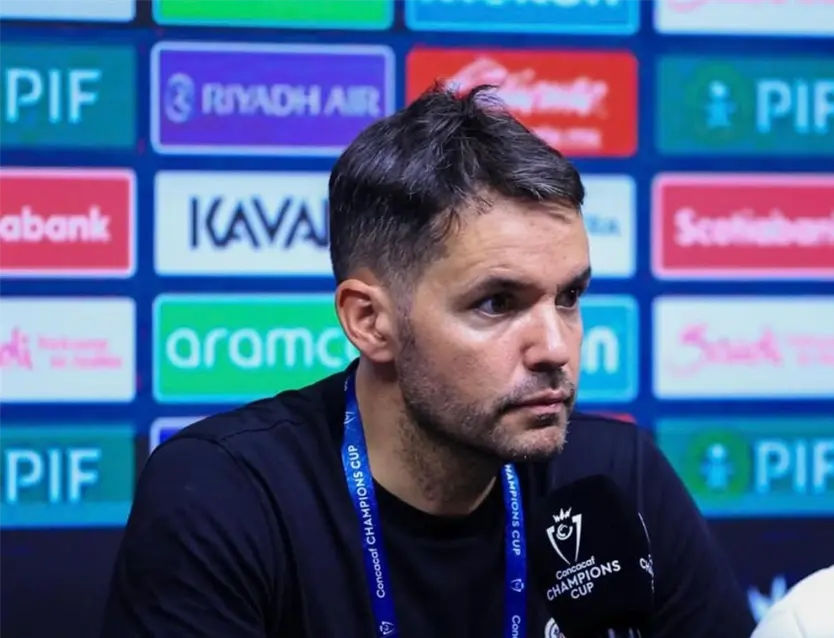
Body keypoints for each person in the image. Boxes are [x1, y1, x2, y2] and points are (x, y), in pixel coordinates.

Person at [99, 84, 755, 638]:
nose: (556, 347)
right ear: (369, 322)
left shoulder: (616, 477)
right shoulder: (226, 494)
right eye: (497, 304)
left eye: (569, 297)